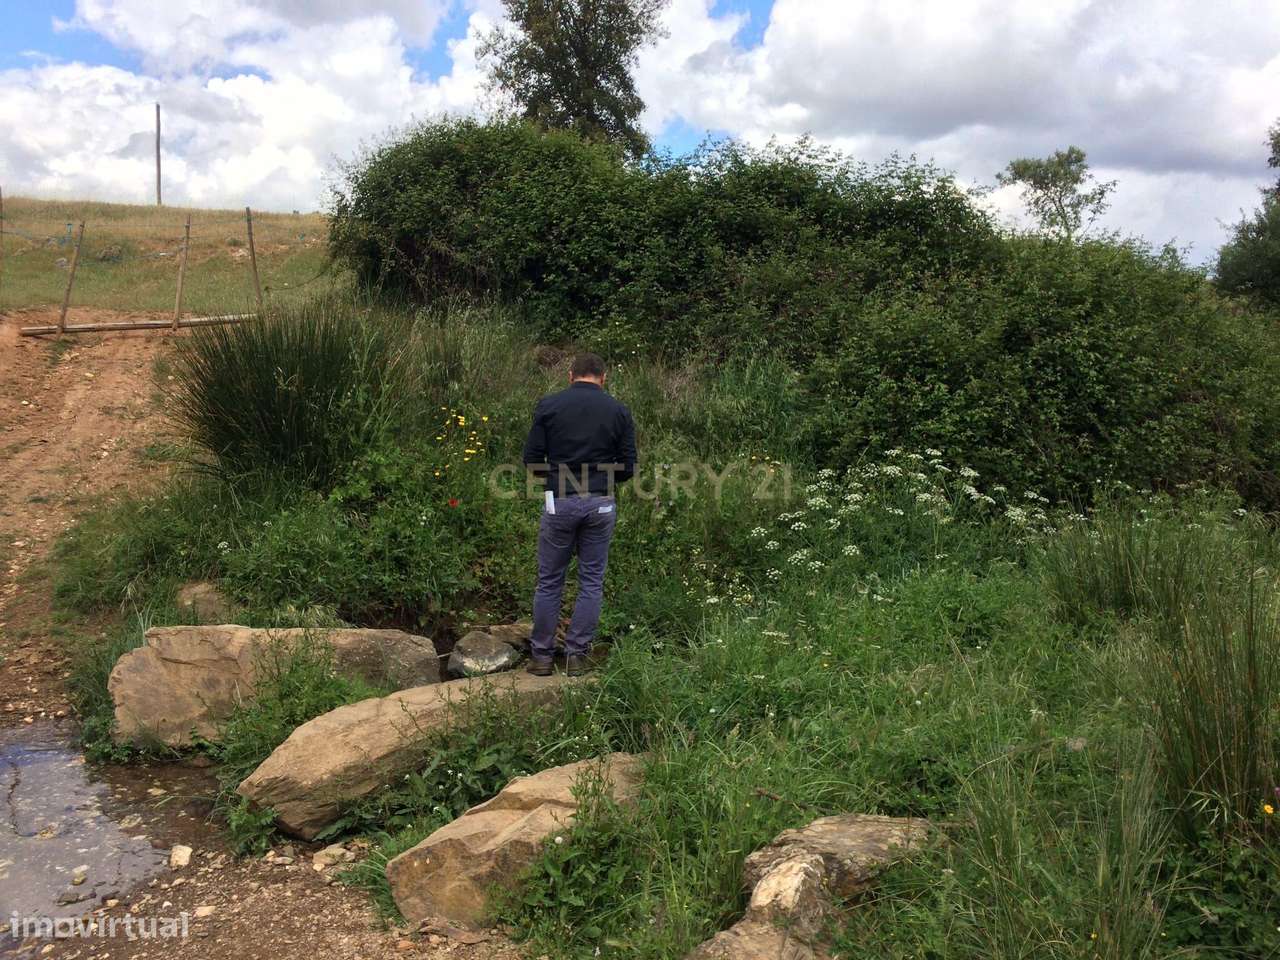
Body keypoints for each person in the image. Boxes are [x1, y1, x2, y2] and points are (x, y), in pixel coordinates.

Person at [522, 352, 637, 676]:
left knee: (549, 581)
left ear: (570, 375)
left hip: (560, 501)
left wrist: (558, 479)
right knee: (591, 581)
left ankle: (542, 658)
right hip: (600, 502)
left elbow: (531, 459)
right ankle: (577, 658)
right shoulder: (618, 410)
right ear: (603, 377)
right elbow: (628, 467)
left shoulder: (550, 406)